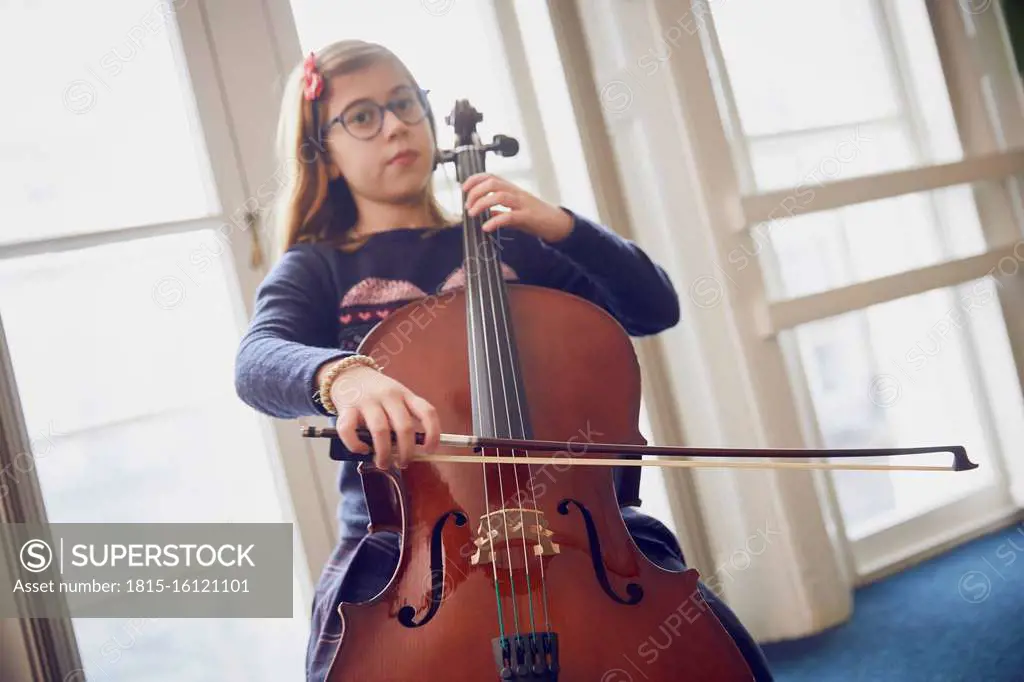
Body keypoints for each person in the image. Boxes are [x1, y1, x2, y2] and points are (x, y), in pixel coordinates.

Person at [233, 38, 773, 682]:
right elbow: (257, 360)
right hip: (405, 548)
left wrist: (565, 229)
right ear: (322, 151)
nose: (396, 126)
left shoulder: (509, 239)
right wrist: (341, 375)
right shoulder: (318, 267)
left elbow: (654, 308)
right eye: (361, 116)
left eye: (405, 103)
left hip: (577, 533)